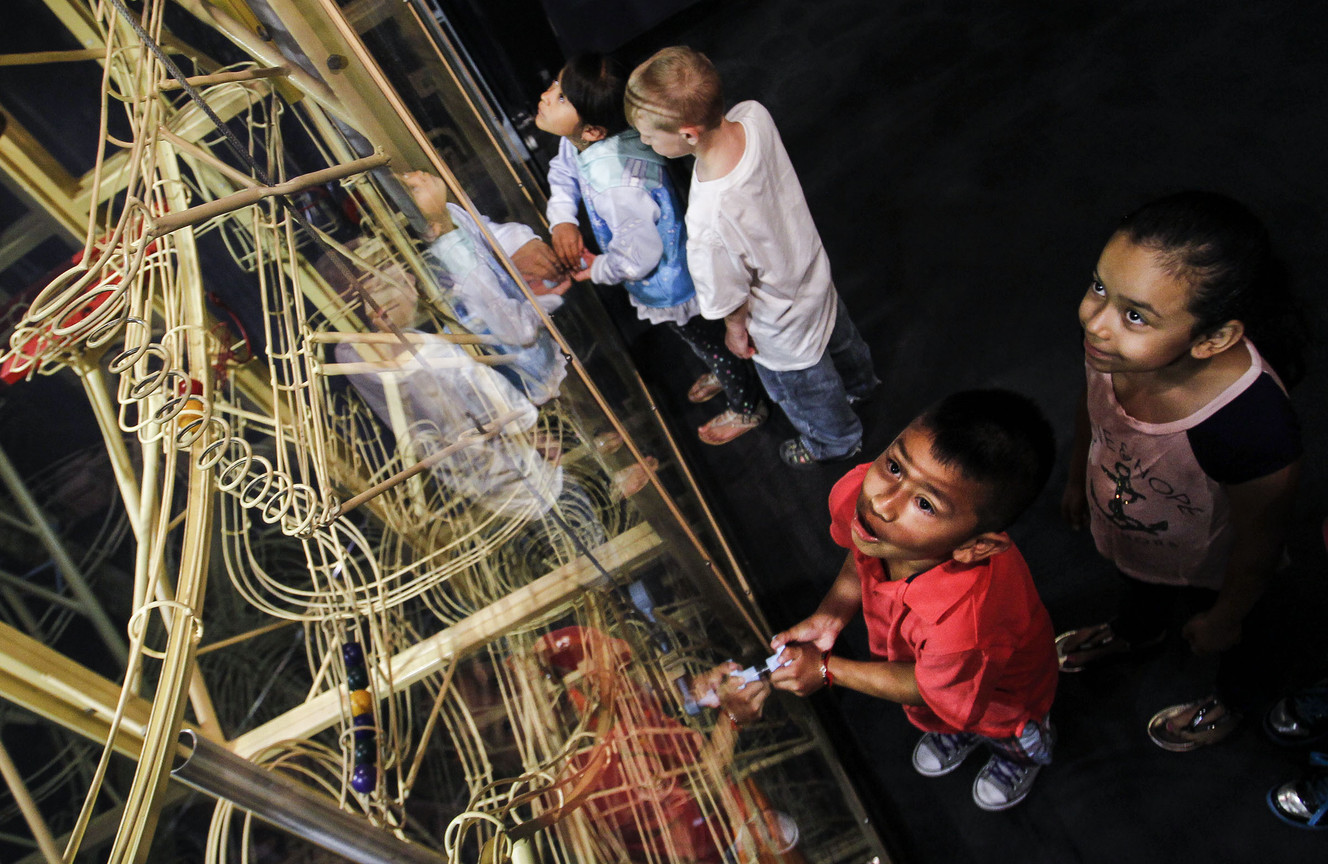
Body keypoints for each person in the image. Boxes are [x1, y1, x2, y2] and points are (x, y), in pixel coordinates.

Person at [1058, 191, 1303, 751]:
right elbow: (1093, 408)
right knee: (1139, 588)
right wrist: (1077, 477)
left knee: (1241, 640)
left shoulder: (1252, 424)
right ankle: (1138, 633)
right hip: (1140, 538)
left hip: (1213, 568)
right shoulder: (1113, 349)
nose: (1095, 322)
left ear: (1214, 339)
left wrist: (1228, 614)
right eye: (1099, 287)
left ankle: (1234, 701)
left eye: (1135, 315)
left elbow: (1261, 541)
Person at [769, 390, 1058, 811]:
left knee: (1006, 730)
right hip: (943, 675)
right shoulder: (873, 515)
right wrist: (832, 612)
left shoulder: (966, 628)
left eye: (924, 503)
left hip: (1000, 693)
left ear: (976, 546)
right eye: (894, 466)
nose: (882, 503)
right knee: (948, 716)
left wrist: (828, 669)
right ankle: (953, 729)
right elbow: (864, 552)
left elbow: (926, 685)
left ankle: (1020, 757)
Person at [625, 46, 878, 468]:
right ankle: (862, 385)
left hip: (780, 324)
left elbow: (727, 294)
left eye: (648, 135)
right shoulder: (754, 115)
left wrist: (735, 330)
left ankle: (836, 441)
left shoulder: (707, 217)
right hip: (814, 276)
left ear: (688, 135)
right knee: (842, 340)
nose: (645, 142)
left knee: (806, 390)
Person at [536, 53, 768, 445]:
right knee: (706, 339)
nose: (545, 95)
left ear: (592, 130)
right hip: (673, 264)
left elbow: (639, 257)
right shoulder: (582, 140)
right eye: (556, 85)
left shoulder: (617, 186)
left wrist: (598, 269)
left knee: (710, 341)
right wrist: (563, 218)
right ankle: (724, 368)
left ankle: (747, 405)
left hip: (673, 281)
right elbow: (563, 168)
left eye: (560, 97)